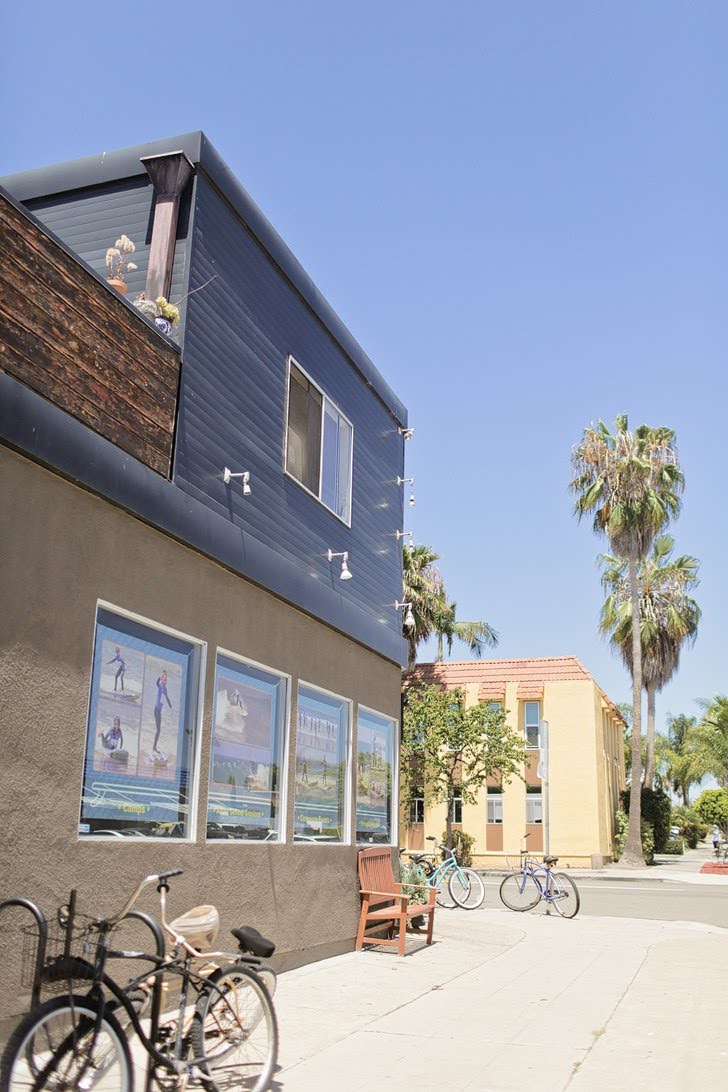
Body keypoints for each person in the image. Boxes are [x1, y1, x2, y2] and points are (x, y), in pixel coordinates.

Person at [153, 671, 172, 754]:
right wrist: (159, 677)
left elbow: (167, 698)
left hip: (159, 712)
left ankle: (154, 747)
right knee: (158, 730)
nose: (165, 681)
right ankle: (154, 747)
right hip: (156, 710)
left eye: (166, 680)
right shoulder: (160, 686)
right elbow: (156, 683)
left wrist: (171, 707)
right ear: (162, 679)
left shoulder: (165, 689)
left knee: (159, 730)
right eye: (164, 679)